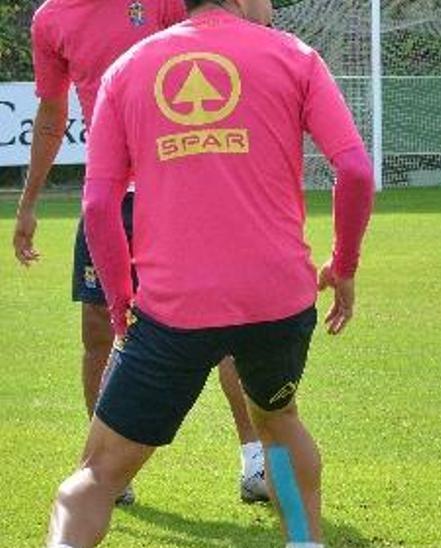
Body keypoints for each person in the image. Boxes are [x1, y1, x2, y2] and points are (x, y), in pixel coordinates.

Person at [45, 0, 375, 544]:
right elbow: (356, 170)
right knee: (278, 421)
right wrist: (343, 267)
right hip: (279, 299)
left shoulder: (128, 69)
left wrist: (120, 297)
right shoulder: (295, 56)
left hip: (173, 307)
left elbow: (100, 204)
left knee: (94, 477)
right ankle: (304, 540)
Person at [16, 0, 269, 504]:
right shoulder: (51, 18)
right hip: (108, 196)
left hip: (179, 189)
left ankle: (257, 461)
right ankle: (104, 470)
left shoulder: (164, 1)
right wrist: (28, 202)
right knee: (97, 329)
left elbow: (232, 36)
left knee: (224, 325)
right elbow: (50, 113)